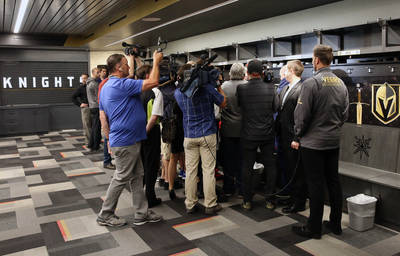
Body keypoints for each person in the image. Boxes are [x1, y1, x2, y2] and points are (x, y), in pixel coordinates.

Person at [96, 51, 163, 227]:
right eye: (126, 64)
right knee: (121, 177)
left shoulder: (106, 87)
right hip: (126, 141)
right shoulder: (122, 85)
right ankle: (105, 214)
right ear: (118, 67)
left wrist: (108, 139)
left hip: (125, 140)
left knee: (136, 176)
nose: (128, 67)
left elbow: (103, 117)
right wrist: (156, 61)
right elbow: (153, 81)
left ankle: (141, 213)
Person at [291, 44, 349, 239]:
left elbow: (301, 116)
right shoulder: (340, 84)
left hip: (313, 144)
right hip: (333, 142)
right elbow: (345, 114)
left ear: (316, 60)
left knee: (315, 184)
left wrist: (299, 134)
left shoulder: (311, 84)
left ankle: (313, 228)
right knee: (333, 182)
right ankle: (335, 224)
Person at [175, 63, 226, 215]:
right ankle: (210, 204)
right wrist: (218, 85)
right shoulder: (207, 89)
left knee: (190, 171)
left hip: (189, 135)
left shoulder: (178, 93)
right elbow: (223, 102)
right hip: (207, 134)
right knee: (208, 171)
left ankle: (190, 204)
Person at [237, 59, 278, 211]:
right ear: (262, 72)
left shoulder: (241, 89)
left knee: (247, 167)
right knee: (271, 166)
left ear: (247, 72)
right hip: (267, 134)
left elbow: (240, 107)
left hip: (248, 134)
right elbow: (276, 108)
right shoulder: (271, 88)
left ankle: (247, 200)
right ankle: (270, 200)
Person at [276, 60, 307, 214]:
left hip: (293, 137)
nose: (284, 73)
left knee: (296, 170)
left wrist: (297, 137)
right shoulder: (286, 88)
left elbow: (302, 116)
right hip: (283, 136)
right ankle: (291, 196)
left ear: (292, 71)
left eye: (286, 70)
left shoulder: (302, 89)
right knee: (288, 168)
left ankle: (299, 202)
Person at [137, 64, 163, 208]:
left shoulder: (135, 90)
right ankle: (150, 197)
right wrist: (145, 133)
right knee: (151, 165)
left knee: (140, 166)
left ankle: (139, 197)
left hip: (136, 132)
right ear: (147, 76)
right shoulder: (155, 92)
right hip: (150, 132)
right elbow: (154, 118)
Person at [221, 63, 247, 198]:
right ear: (243, 72)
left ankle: (228, 188)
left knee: (228, 162)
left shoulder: (223, 87)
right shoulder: (247, 86)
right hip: (244, 129)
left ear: (230, 73)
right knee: (243, 161)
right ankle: (242, 190)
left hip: (227, 130)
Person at [72, 73, 91, 146]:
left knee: (94, 126)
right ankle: (88, 142)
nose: (84, 80)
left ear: (88, 78)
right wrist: (80, 104)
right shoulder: (80, 88)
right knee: (86, 126)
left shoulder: (91, 86)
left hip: (94, 107)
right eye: (82, 78)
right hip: (86, 109)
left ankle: (94, 141)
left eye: (85, 78)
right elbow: (73, 97)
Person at [86, 68, 101, 152]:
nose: (99, 74)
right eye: (97, 72)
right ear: (93, 73)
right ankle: (95, 146)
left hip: (92, 106)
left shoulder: (89, 82)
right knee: (96, 127)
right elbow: (98, 97)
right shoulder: (94, 84)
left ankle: (91, 144)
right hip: (96, 106)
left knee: (94, 127)